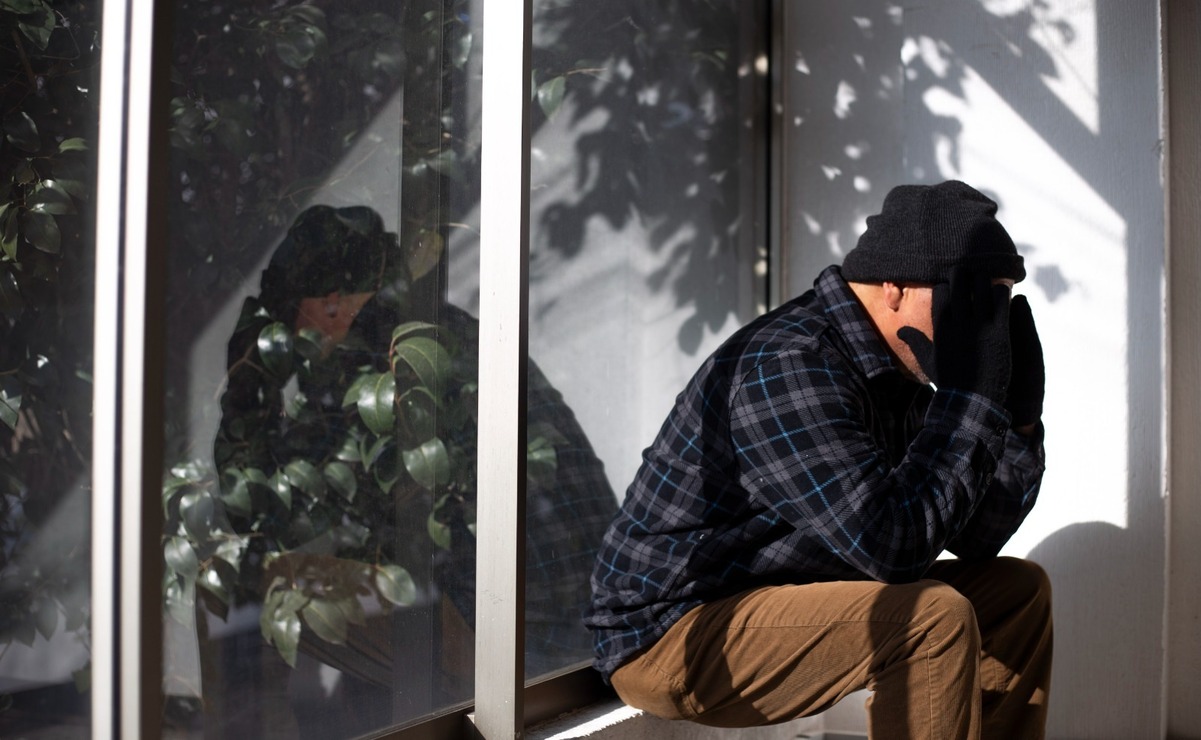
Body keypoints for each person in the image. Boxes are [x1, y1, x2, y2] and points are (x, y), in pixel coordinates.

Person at [584, 181, 1052, 739]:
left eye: (997, 305)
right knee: (932, 618)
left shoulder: (895, 367)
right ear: (895, 286)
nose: (985, 328)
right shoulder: (794, 365)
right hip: (674, 632)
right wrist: (968, 402)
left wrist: (1017, 421)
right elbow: (893, 549)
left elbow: (975, 536)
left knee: (1017, 593)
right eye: (971, 301)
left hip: (781, 600)